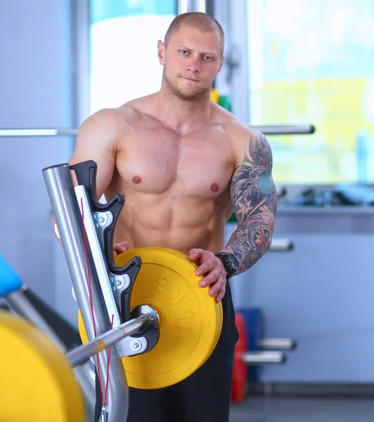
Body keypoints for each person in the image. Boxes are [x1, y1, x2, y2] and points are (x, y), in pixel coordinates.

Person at [57, 11, 277, 422]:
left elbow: (259, 223)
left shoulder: (244, 142)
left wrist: (225, 263)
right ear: (162, 52)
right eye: (184, 51)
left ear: (220, 62)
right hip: (127, 294)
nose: (194, 64)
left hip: (203, 295)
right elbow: (67, 212)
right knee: (133, 415)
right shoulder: (113, 126)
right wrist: (99, 252)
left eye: (207, 57)